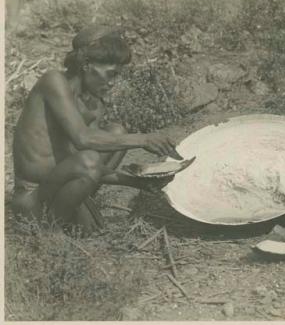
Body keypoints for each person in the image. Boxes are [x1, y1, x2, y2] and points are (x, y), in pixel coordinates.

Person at [11, 25, 181, 235]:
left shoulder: (93, 103)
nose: (112, 83)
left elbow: (84, 161)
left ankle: (75, 207)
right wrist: (144, 139)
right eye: (110, 74)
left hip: (58, 185)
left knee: (116, 133)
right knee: (94, 155)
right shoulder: (53, 81)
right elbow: (83, 141)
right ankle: (49, 232)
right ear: (86, 65)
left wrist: (137, 182)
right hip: (32, 197)